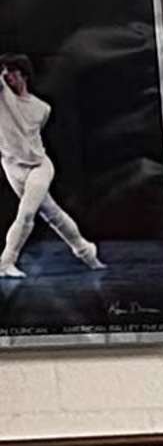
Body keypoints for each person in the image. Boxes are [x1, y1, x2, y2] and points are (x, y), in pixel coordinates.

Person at [0, 55, 94, 284]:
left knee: (28, 212)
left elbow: (33, 135)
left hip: (40, 166)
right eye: (4, 72)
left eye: (12, 72)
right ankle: (86, 251)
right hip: (12, 166)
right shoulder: (1, 97)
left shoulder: (43, 108)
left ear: (23, 74)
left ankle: (5, 262)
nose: (7, 76)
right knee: (53, 214)